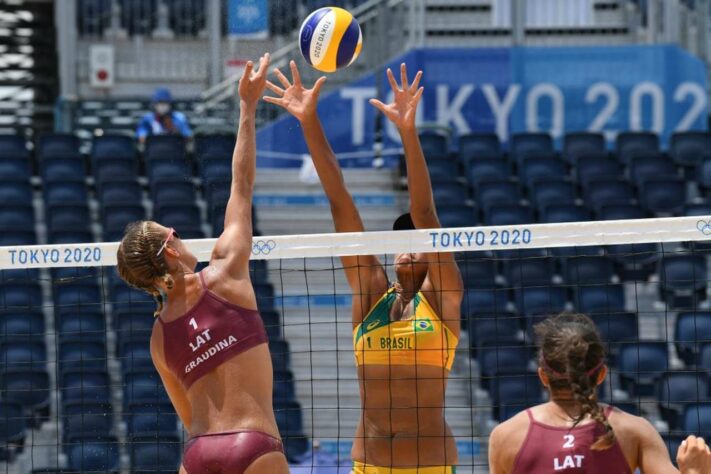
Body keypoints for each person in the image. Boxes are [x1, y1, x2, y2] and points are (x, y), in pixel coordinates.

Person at [264, 61, 463, 473]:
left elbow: (424, 214)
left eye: (419, 245)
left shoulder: (444, 299)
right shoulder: (371, 292)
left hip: (429, 466)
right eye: (401, 242)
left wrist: (408, 133)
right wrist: (309, 121)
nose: (410, 249)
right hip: (367, 465)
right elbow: (340, 202)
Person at [117, 53, 290, 474]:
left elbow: (188, 417)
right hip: (254, 443)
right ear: (171, 251)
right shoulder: (226, 271)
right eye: (172, 232)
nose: (178, 232)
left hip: (199, 455)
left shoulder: (159, 338)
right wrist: (247, 108)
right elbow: (241, 185)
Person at [488, 312, 711, 474]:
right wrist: (695, 472)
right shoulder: (633, 429)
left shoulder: (506, 435)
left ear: (543, 376)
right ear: (602, 374)